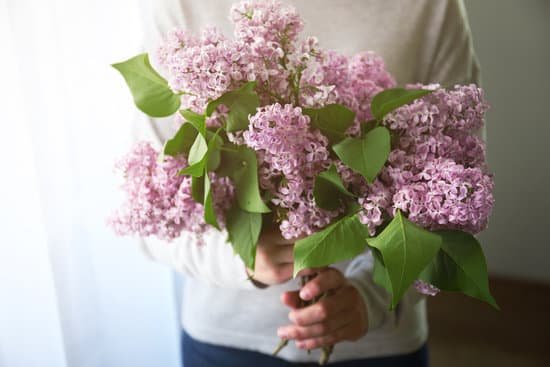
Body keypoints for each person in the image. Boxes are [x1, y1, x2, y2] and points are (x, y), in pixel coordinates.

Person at [134, 0, 482, 365]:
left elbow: (461, 190)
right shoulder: (178, 6)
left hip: (374, 341)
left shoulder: (431, 7)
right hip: (227, 340)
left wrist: (370, 296)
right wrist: (241, 257)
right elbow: (149, 206)